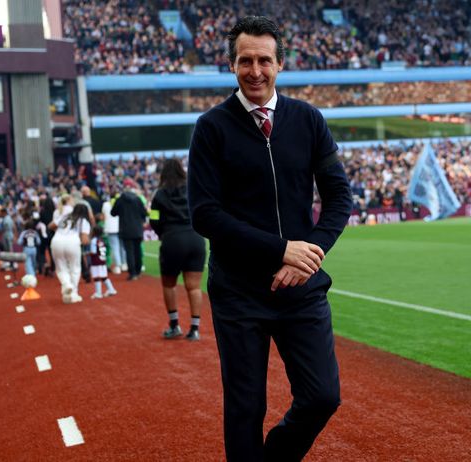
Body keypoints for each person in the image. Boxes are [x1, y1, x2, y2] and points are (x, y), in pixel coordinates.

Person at [187, 16, 352, 461]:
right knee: (246, 407)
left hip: (300, 286)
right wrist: (281, 249)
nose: (255, 70)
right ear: (232, 66)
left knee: (323, 396)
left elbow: (339, 197)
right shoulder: (211, 127)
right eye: (245, 60)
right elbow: (205, 214)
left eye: (264, 60)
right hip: (239, 291)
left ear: (280, 64)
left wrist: (307, 257)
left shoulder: (308, 120)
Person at [149, 158, 206, 341]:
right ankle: (195, 328)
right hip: (195, 239)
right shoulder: (192, 189)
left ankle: (174, 325)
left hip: (172, 239)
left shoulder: (159, 195)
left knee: (169, 284)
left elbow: (154, 220)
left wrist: (163, 234)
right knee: (194, 286)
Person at [50, 203, 91, 304]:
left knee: (60, 267)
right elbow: (85, 240)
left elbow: (51, 226)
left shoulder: (64, 216)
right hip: (73, 242)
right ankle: (74, 293)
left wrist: (60, 231)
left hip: (57, 241)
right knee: (75, 268)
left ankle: (66, 284)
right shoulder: (83, 221)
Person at [110, 186, 147, 280]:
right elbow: (144, 213)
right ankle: (138, 271)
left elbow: (113, 213)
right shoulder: (137, 199)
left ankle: (133, 273)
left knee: (129, 251)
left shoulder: (120, 200)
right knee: (137, 250)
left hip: (125, 228)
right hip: (137, 228)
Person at [88, 225, 117, 299]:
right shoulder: (101, 240)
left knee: (96, 277)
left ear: (94, 232)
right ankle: (111, 289)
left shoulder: (93, 240)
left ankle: (98, 293)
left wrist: (87, 254)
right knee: (104, 277)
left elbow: (93, 252)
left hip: (96, 262)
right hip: (102, 261)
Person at [101, 190, 125, 274]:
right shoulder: (121, 203)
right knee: (122, 247)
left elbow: (103, 216)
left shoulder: (106, 204)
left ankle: (118, 266)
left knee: (115, 247)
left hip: (110, 228)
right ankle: (124, 264)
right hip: (120, 227)